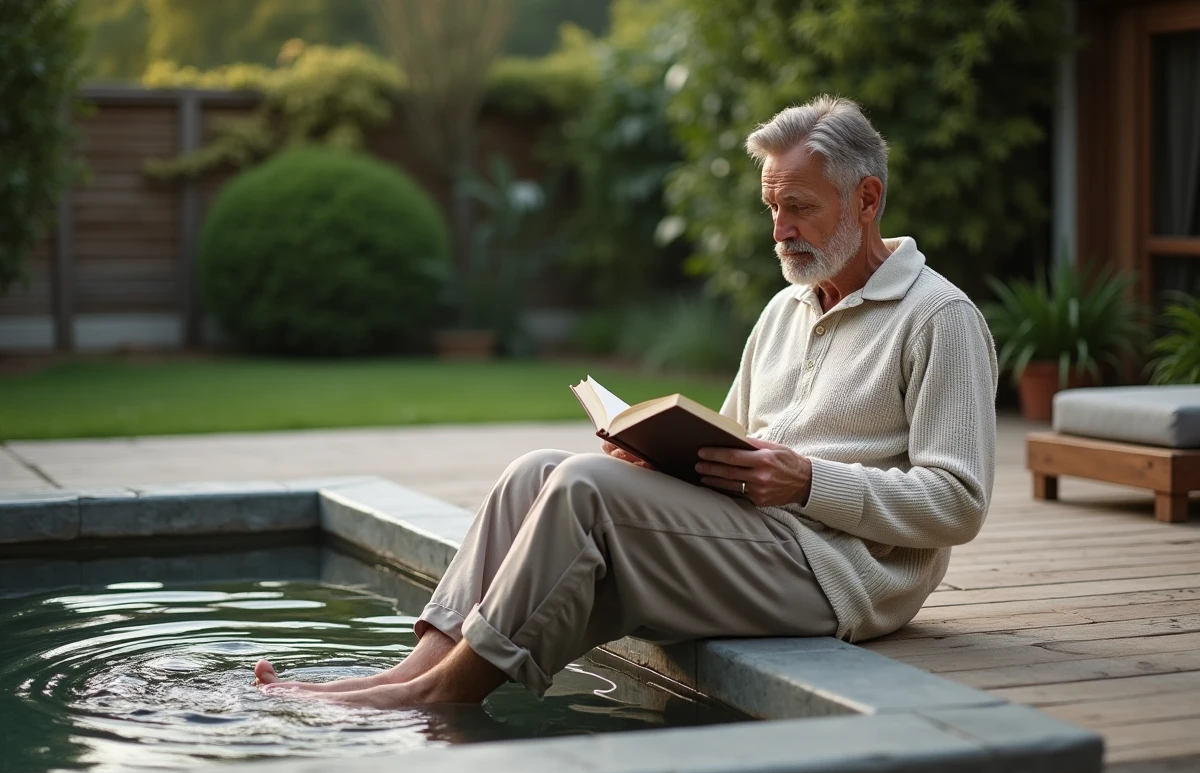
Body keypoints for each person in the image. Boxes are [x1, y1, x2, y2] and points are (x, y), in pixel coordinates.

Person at [253, 95, 998, 708]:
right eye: (771, 207)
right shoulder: (786, 308)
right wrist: (659, 459)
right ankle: (408, 673)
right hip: (758, 539)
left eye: (798, 208)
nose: (779, 230)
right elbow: (735, 442)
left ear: (866, 199)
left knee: (583, 488)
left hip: (836, 576)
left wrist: (808, 481)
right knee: (535, 473)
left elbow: (959, 502)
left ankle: (442, 694)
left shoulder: (939, 318)